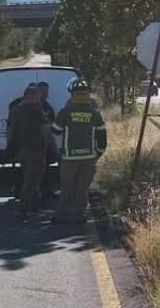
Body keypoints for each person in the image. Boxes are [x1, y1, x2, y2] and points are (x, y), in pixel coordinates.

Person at [51, 78, 107, 224]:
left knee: (67, 186)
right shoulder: (95, 113)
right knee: (82, 188)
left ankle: (62, 214)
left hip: (69, 158)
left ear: (72, 94)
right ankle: (79, 215)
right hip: (89, 158)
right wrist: (98, 153)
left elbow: (55, 131)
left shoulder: (66, 112)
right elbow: (102, 135)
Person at [6, 84, 50, 219]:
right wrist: (47, 147)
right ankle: (23, 207)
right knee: (33, 179)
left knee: (29, 176)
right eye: (37, 95)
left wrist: (10, 146)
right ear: (32, 96)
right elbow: (45, 131)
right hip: (36, 149)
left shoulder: (15, 111)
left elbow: (10, 131)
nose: (40, 98)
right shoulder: (38, 111)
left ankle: (34, 206)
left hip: (22, 149)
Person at [36, 81, 58, 199]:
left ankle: (45, 191)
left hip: (45, 143)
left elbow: (51, 125)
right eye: (42, 91)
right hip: (34, 143)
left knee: (46, 169)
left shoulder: (47, 107)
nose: (45, 93)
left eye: (46, 91)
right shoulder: (33, 106)